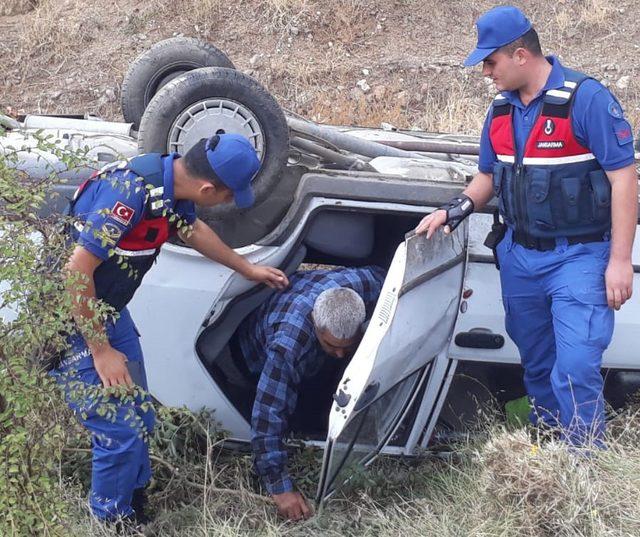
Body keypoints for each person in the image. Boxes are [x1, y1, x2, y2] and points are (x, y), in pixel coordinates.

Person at [416, 6, 637, 448]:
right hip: (521, 257)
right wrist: (454, 209)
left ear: (520, 55)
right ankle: (549, 450)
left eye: (490, 61)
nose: (485, 72)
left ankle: (583, 466)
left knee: (574, 368)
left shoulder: (585, 98)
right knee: (536, 364)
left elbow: (624, 179)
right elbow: (486, 176)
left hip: (580, 255)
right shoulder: (500, 110)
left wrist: (619, 261)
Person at [54, 133, 289, 524]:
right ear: (208, 187)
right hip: (70, 317)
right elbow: (76, 272)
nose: (230, 202)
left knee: (142, 415)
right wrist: (100, 351)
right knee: (121, 431)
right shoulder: (127, 195)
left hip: (109, 309)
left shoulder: (171, 184)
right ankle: (110, 522)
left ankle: (131, 499)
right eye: (230, 195)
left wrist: (247, 268)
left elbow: (190, 230)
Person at [233, 265, 385, 521]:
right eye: (331, 345)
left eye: (345, 348)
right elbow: (268, 413)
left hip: (300, 323)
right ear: (316, 322)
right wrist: (280, 489)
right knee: (306, 415)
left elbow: (393, 278)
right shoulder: (288, 346)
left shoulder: (365, 283)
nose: (339, 355)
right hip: (252, 354)